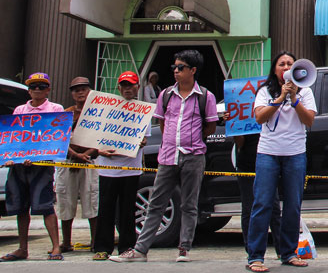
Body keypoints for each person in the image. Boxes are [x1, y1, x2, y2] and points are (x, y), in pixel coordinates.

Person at [110, 49, 218, 263]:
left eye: (181, 67)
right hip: (168, 156)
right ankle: (140, 250)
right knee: (156, 203)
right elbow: (162, 121)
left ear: (193, 70)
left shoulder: (206, 96)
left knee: (189, 203)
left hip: (194, 155)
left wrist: (192, 141)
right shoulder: (166, 94)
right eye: (174, 67)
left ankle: (184, 248)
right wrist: (171, 142)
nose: (176, 71)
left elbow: (210, 127)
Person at [246, 51, 317, 271]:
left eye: (290, 64)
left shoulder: (305, 92)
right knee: (263, 203)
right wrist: (280, 99)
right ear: (274, 69)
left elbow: (309, 120)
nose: (286, 67)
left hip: (295, 153)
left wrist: (294, 99)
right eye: (281, 64)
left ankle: (288, 253)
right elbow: (259, 117)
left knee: (293, 206)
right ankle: (255, 256)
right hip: (268, 153)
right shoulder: (264, 91)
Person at [0, 72, 64, 261]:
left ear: (48, 90)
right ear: (28, 90)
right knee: (20, 207)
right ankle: (22, 248)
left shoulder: (55, 108)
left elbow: (57, 137)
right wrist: (10, 156)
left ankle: (55, 247)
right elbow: (14, 137)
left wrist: (36, 155)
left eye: (41, 86)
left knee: (45, 206)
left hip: (42, 165)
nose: (37, 90)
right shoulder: (19, 110)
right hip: (19, 166)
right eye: (33, 86)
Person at [93, 72, 148, 260]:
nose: (127, 88)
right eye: (124, 85)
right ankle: (102, 247)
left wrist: (140, 142)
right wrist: (100, 151)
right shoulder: (106, 108)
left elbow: (144, 138)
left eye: (131, 85)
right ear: (118, 88)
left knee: (127, 210)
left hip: (130, 168)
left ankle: (127, 247)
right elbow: (95, 136)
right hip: (107, 168)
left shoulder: (143, 111)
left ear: (138, 88)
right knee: (105, 209)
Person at [56, 76, 99, 253]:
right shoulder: (65, 114)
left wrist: (85, 155)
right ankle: (66, 242)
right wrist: (75, 155)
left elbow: (101, 140)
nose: (80, 92)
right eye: (76, 89)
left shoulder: (98, 113)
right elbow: (59, 139)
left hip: (91, 161)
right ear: (72, 94)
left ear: (89, 91)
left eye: (83, 88)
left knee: (92, 200)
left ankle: (96, 241)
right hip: (68, 161)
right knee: (66, 201)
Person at [235, 134, 280, 257]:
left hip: (270, 160)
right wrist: (234, 127)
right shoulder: (244, 116)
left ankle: (282, 250)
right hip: (248, 163)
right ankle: (252, 251)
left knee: (274, 207)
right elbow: (240, 142)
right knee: (249, 207)